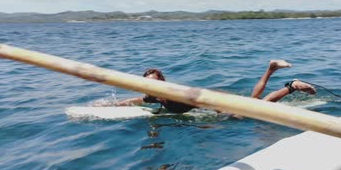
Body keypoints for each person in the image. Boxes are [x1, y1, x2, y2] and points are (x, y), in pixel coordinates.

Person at [115, 60, 316, 114]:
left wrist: (220, 111)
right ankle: (290, 85)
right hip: (212, 103)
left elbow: (201, 100)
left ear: (163, 82)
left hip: (214, 99)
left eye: (156, 81)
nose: (152, 85)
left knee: (255, 107)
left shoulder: (174, 94)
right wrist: (115, 104)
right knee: (259, 105)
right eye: (149, 82)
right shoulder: (155, 96)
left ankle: (277, 74)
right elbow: (138, 100)